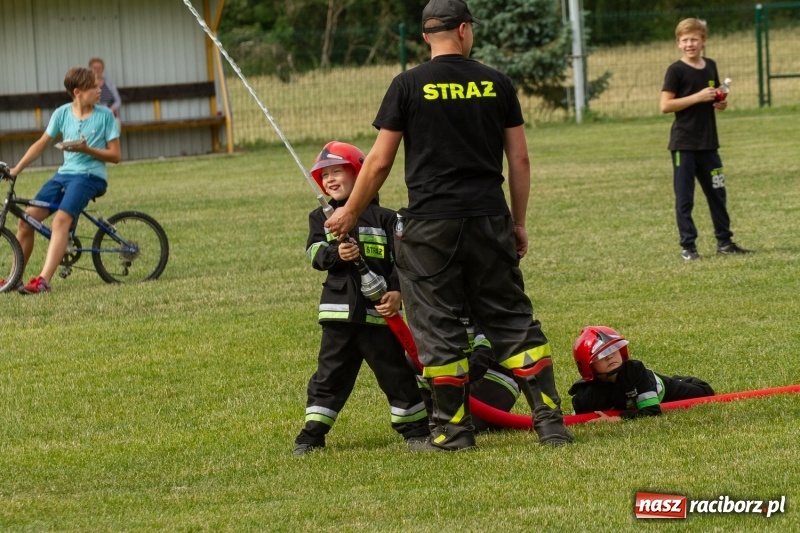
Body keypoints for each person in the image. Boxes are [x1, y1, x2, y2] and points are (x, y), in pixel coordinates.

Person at [324, 0, 574, 450]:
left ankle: (452, 431)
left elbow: (379, 161)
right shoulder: (497, 82)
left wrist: (351, 212)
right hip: (488, 218)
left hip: (430, 227)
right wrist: (517, 222)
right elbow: (519, 157)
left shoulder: (407, 84)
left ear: (425, 36)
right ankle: (550, 423)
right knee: (512, 319)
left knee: (437, 327)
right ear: (463, 30)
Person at [292, 141, 429, 455]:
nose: (329, 179)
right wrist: (336, 253)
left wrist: (396, 293)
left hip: (379, 318)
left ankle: (417, 432)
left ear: (361, 173)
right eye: (323, 175)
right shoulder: (321, 218)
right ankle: (311, 436)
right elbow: (315, 254)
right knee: (329, 376)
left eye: (337, 171)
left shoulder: (387, 219)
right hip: (338, 316)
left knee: (396, 374)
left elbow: (404, 263)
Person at [3, 66, 120, 294]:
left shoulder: (105, 115)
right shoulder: (62, 113)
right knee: (26, 221)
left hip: (90, 177)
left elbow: (115, 155)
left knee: (60, 221)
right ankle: (14, 279)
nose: (100, 90)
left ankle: (43, 281)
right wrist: (16, 169)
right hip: (64, 174)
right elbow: (41, 144)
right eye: (94, 87)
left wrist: (87, 150)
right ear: (78, 92)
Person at [660, 18, 750, 261]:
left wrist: (718, 101)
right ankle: (688, 247)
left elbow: (712, 98)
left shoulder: (710, 65)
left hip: (709, 143)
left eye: (694, 39)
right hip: (684, 145)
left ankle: (725, 242)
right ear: (678, 43)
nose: (690, 44)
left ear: (703, 41)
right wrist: (697, 96)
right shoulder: (675, 70)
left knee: (718, 192)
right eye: (685, 40)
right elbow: (665, 105)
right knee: (685, 197)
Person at [569, 325, 715, 421]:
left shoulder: (635, 371)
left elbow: (651, 412)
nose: (610, 356)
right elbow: (578, 416)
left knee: (705, 391)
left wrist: (619, 418)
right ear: (588, 366)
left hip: (660, 389)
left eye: (613, 349)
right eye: (601, 355)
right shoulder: (586, 394)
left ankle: (681, 381)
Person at [89, 57, 122, 122]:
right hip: (93, 116)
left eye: (99, 68)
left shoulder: (110, 84)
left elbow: (118, 101)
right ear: (90, 69)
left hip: (110, 115)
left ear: (103, 69)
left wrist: (110, 110)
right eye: (95, 68)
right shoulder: (87, 85)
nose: (97, 70)